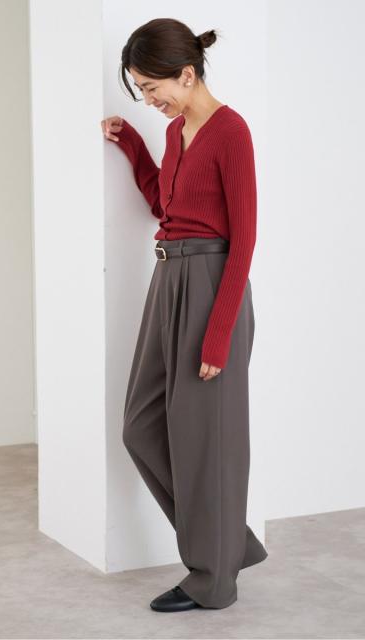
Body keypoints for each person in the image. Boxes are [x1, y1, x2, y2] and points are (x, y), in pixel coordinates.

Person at [100, 17, 267, 612]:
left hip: (212, 284)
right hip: (167, 280)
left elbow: (244, 240)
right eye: (142, 90)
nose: (150, 100)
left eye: (152, 88)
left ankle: (212, 580)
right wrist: (132, 144)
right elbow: (164, 204)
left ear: (188, 74)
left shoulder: (231, 132)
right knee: (140, 425)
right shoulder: (176, 134)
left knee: (205, 443)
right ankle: (228, 542)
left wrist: (218, 336)